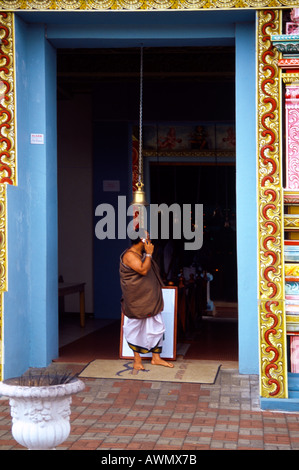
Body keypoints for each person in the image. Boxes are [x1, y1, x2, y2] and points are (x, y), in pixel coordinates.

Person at [120, 229, 174, 370]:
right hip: (136, 300)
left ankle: (156, 358)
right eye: (148, 237)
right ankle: (137, 360)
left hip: (150, 298)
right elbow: (143, 270)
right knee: (135, 328)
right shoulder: (130, 255)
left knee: (156, 325)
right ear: (142, 240)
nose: (150, 239)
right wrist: (149, 253)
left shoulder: (141, 253)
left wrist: (148, 254)